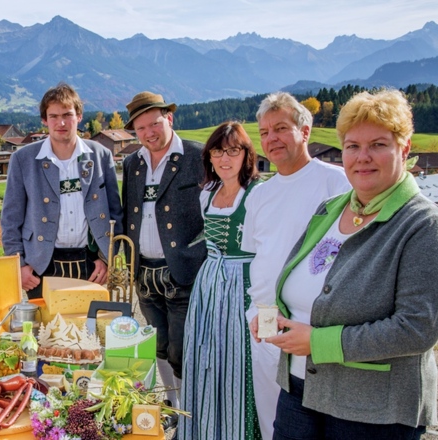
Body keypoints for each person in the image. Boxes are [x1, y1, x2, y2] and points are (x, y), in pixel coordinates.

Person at [253, 89, 438, 439]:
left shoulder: (424, 225)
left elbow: (418, 327)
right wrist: (274, 317)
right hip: (301, 390)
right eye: (352, 146)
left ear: (404, 149)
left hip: (373, 410)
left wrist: (318, 343)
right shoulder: (332, 209)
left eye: (378, 144)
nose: (362, 157)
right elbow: (299, 282)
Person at [241, 92, 351, 439]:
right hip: (266, 314)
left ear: (305, 130)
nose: (271, 138)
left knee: (315, 414)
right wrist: (255, 310)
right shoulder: (259, 193)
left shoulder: (337, 182)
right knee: (271, 410)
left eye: (281, 128)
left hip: (312, 320)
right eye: (264, 132)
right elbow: (257, 256)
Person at [121, 91, 206, 411]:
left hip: (184, 270)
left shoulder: (198, 156)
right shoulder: (132, 163)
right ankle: (171, 406)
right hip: (145, 270)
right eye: (140, 128)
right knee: (157, 345)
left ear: (169, 119)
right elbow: (130, 212)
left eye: (154, 124)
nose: (149, 133)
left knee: (182, 349)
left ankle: (191, 411)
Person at [1, 83, 122, 299]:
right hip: (41, 266)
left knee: (91, 330)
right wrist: (19, 265)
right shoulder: (23, 159)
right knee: (45, 331)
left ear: (79, 116)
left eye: (67, 114)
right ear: (44, 120)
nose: (61, 122)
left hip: (91, 264)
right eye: (54, 116)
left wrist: (106, 258)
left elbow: (115, 213)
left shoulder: (100, 155)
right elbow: (10, 220)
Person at [179, 122, 261, 439]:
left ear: (246, 154)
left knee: (238, 361)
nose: (224, 158)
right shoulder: (208, 194)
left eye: (232, 150)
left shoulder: (257, 194)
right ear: (209, 157)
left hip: (242, 284)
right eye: (217, 151)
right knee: (205, 355)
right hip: (210, 285)